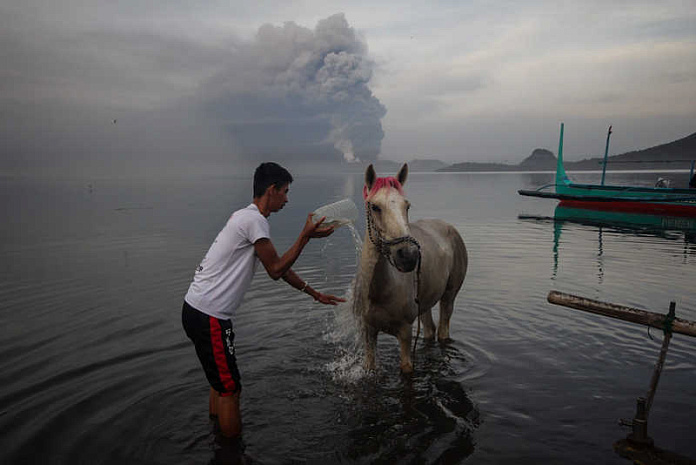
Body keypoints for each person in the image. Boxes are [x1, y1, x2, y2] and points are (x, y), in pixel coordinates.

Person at [182, 162, 345, 439]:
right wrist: (304, 236)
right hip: (209, 316)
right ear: (272, 190)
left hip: (197, 310)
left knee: (220, 384)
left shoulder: (246, 218)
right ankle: (231, 454)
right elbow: (275, 270)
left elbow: (280, 267)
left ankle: (215, 434)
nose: (287, 198)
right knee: (231, 389)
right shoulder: (254, 221)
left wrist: (313, 293)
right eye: (285, 191)